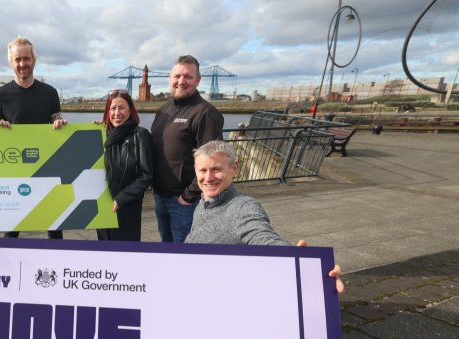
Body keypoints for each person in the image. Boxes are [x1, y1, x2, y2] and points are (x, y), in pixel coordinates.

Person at [185, 140, 344, 292]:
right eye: (203, 170)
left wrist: (308, 267)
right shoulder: (203, 203)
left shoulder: (243, 207)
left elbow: (263, 237)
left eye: (216, 169)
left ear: (234, 168)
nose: (208, 178)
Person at [0, 36, 67, 239]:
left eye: (26, 58)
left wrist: (60, 124)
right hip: (14, 170)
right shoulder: (0, 95)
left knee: (54, 223)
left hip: (47, 167)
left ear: (34, 60)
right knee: (12, 227)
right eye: (18, 59)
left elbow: (57, 120)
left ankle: (57, 259)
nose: (22, 64)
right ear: (11, 61)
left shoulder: (50, 92)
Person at [151, 55, 224, 243]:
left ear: (198, 80)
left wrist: (189, 196)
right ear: (170, 78)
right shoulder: (164, 110)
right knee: (166, 248)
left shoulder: (205, 113)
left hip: (183, 202)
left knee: (185, 255)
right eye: (177, 76)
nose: (181, 82)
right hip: (160, 196)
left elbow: (214, 162)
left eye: (188, 77)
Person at [97, 90, 153, 241]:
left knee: (126, 251)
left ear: (130, 110)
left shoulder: (140, 135)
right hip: (102, 206)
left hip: (127, 205)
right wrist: (62, 127)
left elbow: (146, 174)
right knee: (104, 252)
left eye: (121, 107)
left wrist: (122, 199)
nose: (117, 113)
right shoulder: (100, 134)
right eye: (113, 108)